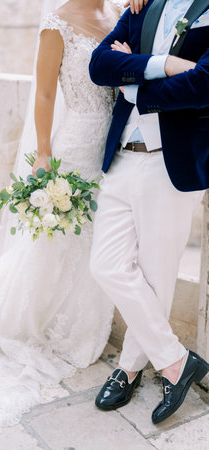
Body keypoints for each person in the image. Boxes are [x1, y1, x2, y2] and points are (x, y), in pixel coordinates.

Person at [0, 1, 147, 448]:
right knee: (63, 241)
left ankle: (84, 318)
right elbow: (43, 93)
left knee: (100, 236)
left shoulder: (119, 11)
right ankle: (47, 319)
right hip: (76, 142)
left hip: (113, 144)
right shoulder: (56, 20)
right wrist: (42, 154)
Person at [89, 0, 209, 425]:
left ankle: (130, 367)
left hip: (170, 163)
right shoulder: (144, 3)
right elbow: (99, 65)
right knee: (105, 264)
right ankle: (176, 362)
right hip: (123, 157)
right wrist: (165, 63)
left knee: (157, 276)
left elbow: (203, 84)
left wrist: (134, 80)